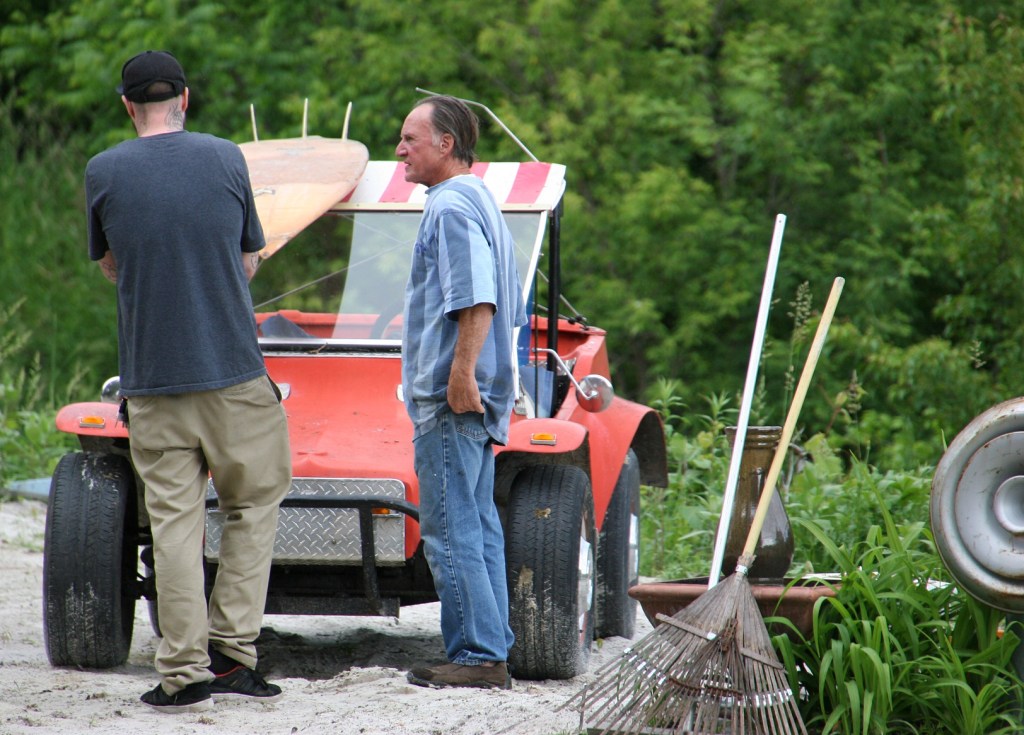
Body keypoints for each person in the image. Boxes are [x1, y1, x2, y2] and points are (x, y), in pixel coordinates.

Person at [85, 50, 292, 713]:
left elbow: (112, 266)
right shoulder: (226, 157)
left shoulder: (102, 172)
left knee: (174, 524)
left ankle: (182, 672)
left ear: (126, 105)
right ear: (186, 97)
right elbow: (250, 257)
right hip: (234, 372)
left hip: (150, 380)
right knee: (251, 507)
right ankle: (234, 655)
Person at [396, 95, 527, 690]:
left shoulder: (449, 206)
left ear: (446, 144)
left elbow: (475, 297)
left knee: (449, 527)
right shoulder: (480, 200)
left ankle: (476, 657)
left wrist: (459, 374)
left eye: (410, 139)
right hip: (482, 395)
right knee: (478, 523)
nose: (400, 151)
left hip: (454, 399)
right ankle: (491, 649)